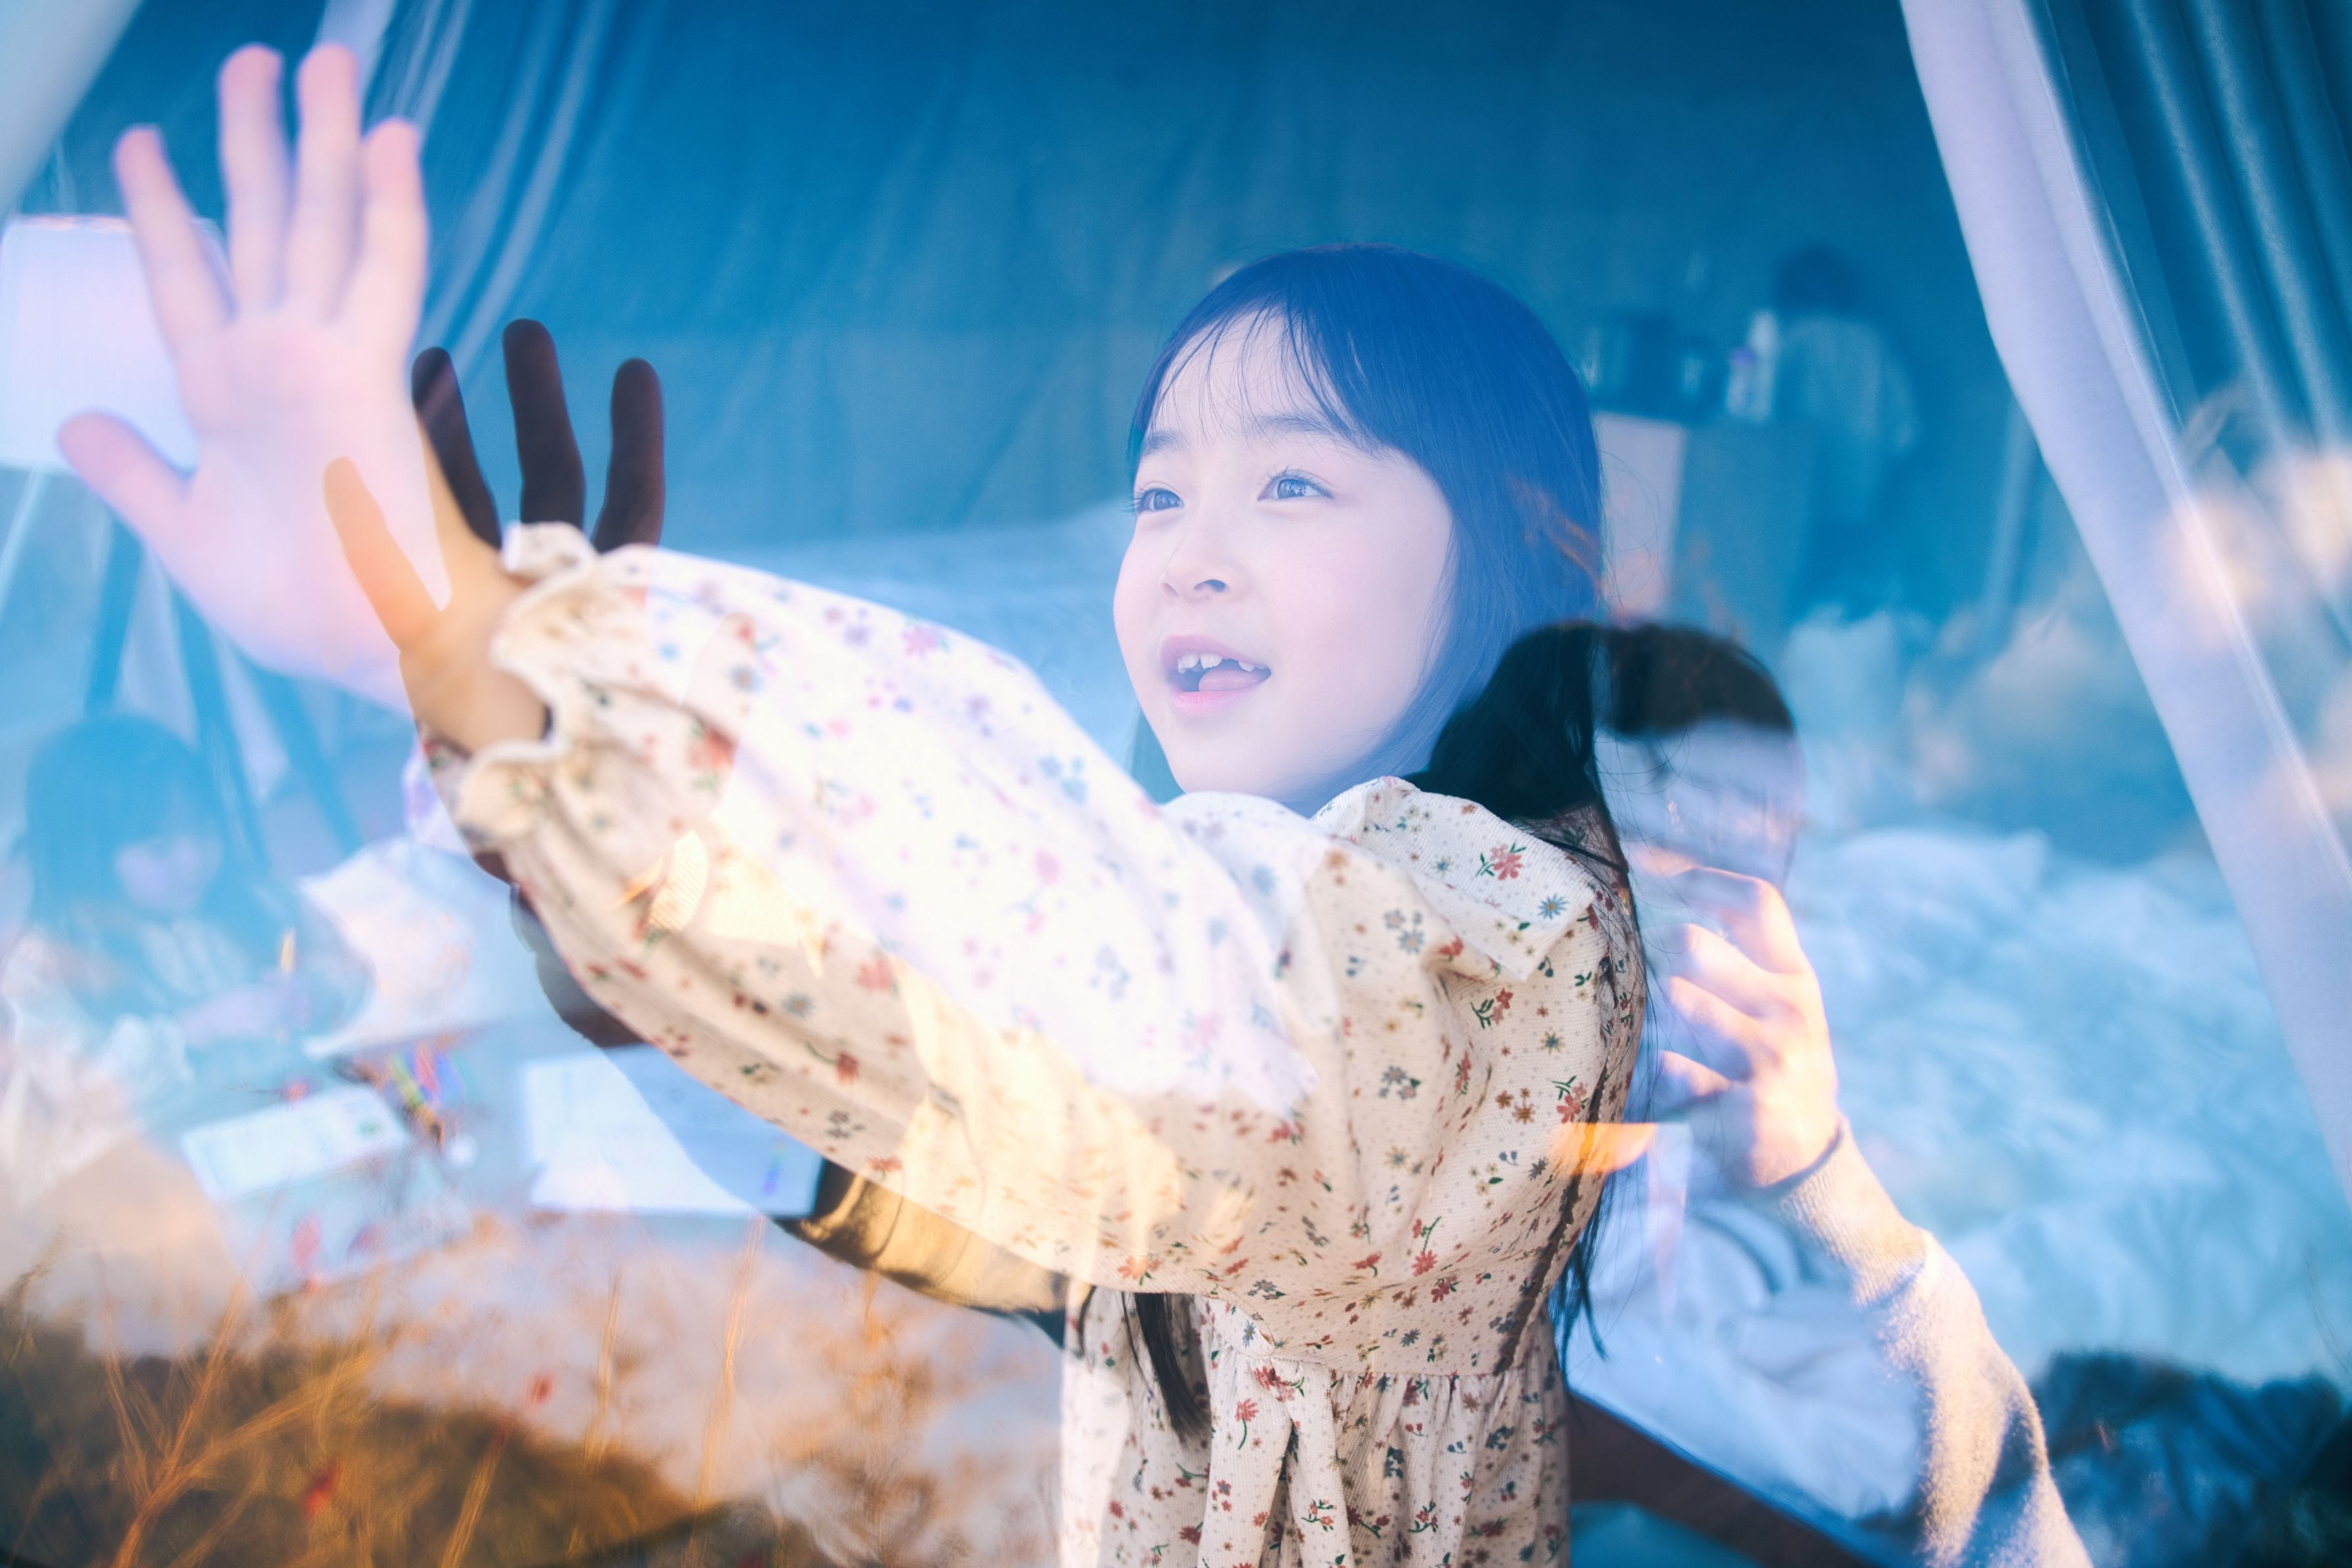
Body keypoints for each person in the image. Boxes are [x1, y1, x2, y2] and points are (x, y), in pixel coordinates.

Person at [62, 44, 2083, 1565]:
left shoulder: (1508, 939)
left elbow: (1144, 980)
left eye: (1289, 482)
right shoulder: (1229, 1004)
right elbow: (950, 1134)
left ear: (1520, 571)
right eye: (1155, 494)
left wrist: (537, 674)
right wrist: (573, 850)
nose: (1191, 550)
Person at [0, 715, 371, 1204]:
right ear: (87, 857)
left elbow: (341, 963)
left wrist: (314, 991)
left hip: (262, 1129)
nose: (193, 860)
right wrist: (195, 1029)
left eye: (204, 832)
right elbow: (86, 1088)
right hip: (140, 1169)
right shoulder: (53, 961)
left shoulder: (248, 897)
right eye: (160, 849)